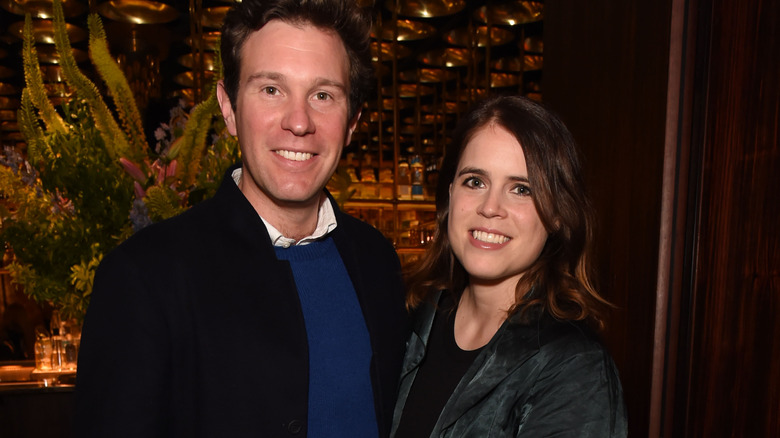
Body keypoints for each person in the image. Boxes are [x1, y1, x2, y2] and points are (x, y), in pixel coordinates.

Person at [74, 0, 408, 436]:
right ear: (228, 108)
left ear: (351, 123)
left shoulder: (378, 261)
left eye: (323, 95)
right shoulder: (146, 277)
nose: (299, 122)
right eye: (272, 89)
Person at [390, 95, 628, 437]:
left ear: (559, 215)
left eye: (521, 189)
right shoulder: (411, 315)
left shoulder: (574, 367)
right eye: (475, 181)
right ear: (449, 196)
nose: (490, 207)